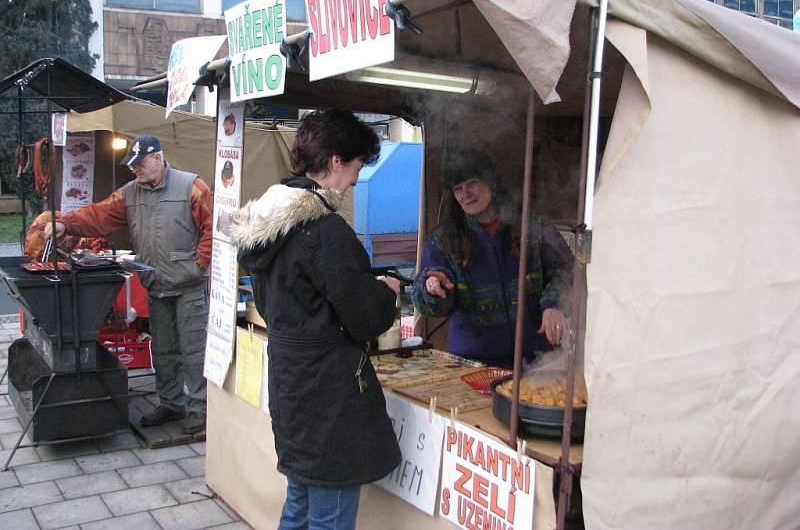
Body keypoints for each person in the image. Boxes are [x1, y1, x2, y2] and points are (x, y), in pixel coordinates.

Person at [228, 108, 401, 530]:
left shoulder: (270, 223)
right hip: (329, 394)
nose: (358, 178)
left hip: (291, 382)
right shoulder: (324, 230)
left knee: (300, 502)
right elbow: (365, 319)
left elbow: (279, 302)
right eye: (358, 165)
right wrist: (387, 293)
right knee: (329, 515)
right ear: (337, 162)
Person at [46, 134, 212, 434]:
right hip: (156, 283)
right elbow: (99, 215)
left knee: (194, 349)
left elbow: (213, 228)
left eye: (140, 163)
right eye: (132, 165)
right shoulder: (130, 193)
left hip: (189, 286)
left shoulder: (192, 186)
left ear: (158, 158)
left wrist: (199, 265)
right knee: (162, 349)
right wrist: (65, 223)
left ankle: (201, 408)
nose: (135, 169)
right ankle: (172, 404)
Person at [411, 150, 573, 369]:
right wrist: (431, 288)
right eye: (458, 188)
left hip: (539, 358)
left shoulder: (532, 226)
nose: (465, 194)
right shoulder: (443, 239)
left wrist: (554, 305)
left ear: (491, 182)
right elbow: (429, 302)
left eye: (472, 183)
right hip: (473, 363)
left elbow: (567, 270)